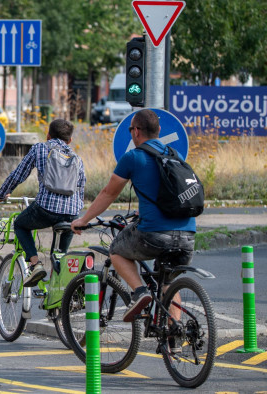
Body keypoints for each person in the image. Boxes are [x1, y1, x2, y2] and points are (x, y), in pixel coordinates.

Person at [70, 109, 196, 324]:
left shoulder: (133, 157)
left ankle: (139, 292)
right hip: (188, 235)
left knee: (116, 250)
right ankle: (174, 337)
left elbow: (109, 193)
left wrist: (83, 219)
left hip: (155, 234)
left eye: (130, 130)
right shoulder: (175, 155)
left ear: (136, 131)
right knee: (168, 282)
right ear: (158, 131)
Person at [0, 118, 86, 288]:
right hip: (72, 215)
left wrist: (2, 193)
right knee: (59, 256)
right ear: (70, 140)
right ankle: (60, 298)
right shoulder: (77, 158)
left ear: (48, 135)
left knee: (20, 224)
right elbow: (81, 189)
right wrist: (78, 219)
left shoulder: (40, 148)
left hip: (46, 209)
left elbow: (18, 174)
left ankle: (35, 265)